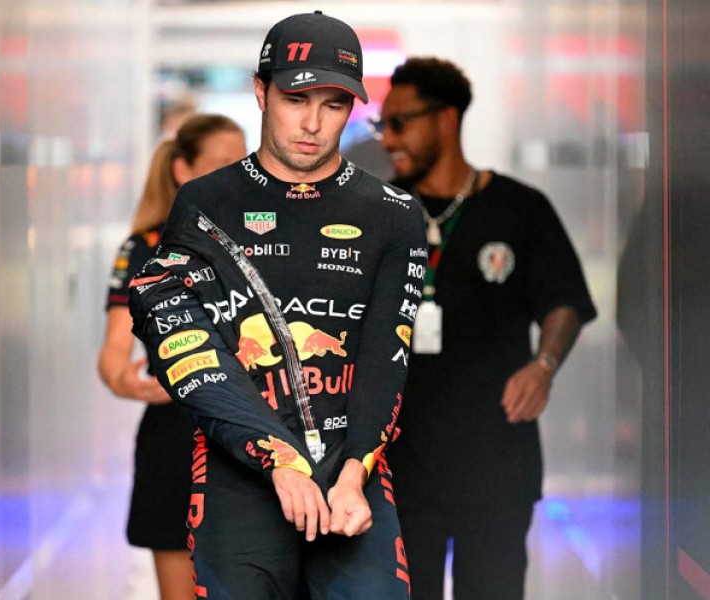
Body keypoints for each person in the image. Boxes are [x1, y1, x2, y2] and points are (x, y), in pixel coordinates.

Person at [126, 11, 426, 599]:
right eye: (295, 99)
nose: (313, 123)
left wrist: (354, 472)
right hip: (237, 478)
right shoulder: (204, 204)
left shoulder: (393, 214)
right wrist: (277, 457)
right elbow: (186, 346)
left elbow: (387, 355)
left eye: (334, 104)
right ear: (261, 92)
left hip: (350, 475)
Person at [375, 57, 598, 600]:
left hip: (495, 459)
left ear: (446, 119)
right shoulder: (378, 214)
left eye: (399, 123)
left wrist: (544, 365)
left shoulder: (520, 210)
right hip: (401, 463)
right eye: (383, 125)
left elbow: (564, 301)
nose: (387, 139)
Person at [98, 114, 247, 600]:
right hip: (174, 441)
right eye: (223, 163)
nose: (238, 174)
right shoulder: (144, 249)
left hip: (255, 438)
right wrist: (126, 380)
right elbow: (114, 351)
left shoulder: (264, 241)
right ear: (183, 169)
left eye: (244, 162)